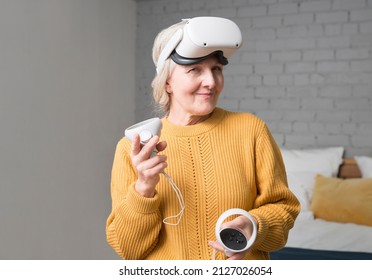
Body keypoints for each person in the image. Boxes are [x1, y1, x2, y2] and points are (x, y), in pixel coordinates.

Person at [106, 16, 300, 260]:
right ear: (167, 82)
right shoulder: (132, 150)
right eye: (195, 70)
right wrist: (143, 188)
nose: (210, 82)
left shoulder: (251, 131)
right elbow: (128, 250)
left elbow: (284, 211)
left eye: (216, 69)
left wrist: (254, 226)